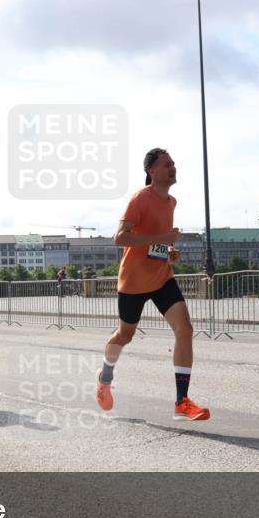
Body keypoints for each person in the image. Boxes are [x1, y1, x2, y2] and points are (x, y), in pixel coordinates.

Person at [94, 148, 210, 421]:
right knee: (125, 335)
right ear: (152, 172)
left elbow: (155, 240)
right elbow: (119, 238)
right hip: (134, 281)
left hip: (161, 277)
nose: (173, 167)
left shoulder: (171, 202)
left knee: (185, 330)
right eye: (167, 164)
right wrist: (162, 237)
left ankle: (182, 402)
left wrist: (167, 250)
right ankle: (105, 376)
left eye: (174, 164)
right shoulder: (140, 199)